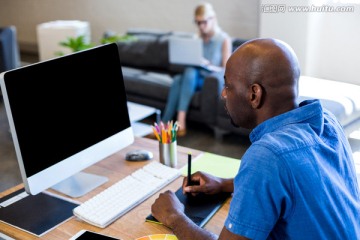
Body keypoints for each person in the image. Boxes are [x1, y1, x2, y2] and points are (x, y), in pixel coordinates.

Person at [151, 38, 360, 239]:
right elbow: (298, 184)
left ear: (254, 94)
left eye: (228, 86)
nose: (223, 94)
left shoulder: (267, 155)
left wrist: (175, 217)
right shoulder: (327, 122)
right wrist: (225, 184)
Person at [162, 2, 232, 136]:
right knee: (178, 78)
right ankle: (165, 124)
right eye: (198, 22)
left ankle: (180, 121)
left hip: (208, 80)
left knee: (189, 72)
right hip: (193, 78)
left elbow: (225, 69)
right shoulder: (196, 38)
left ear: (213, 19)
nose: (201, 26)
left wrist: (208, 65)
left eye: (204, 22)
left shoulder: (224, 39)